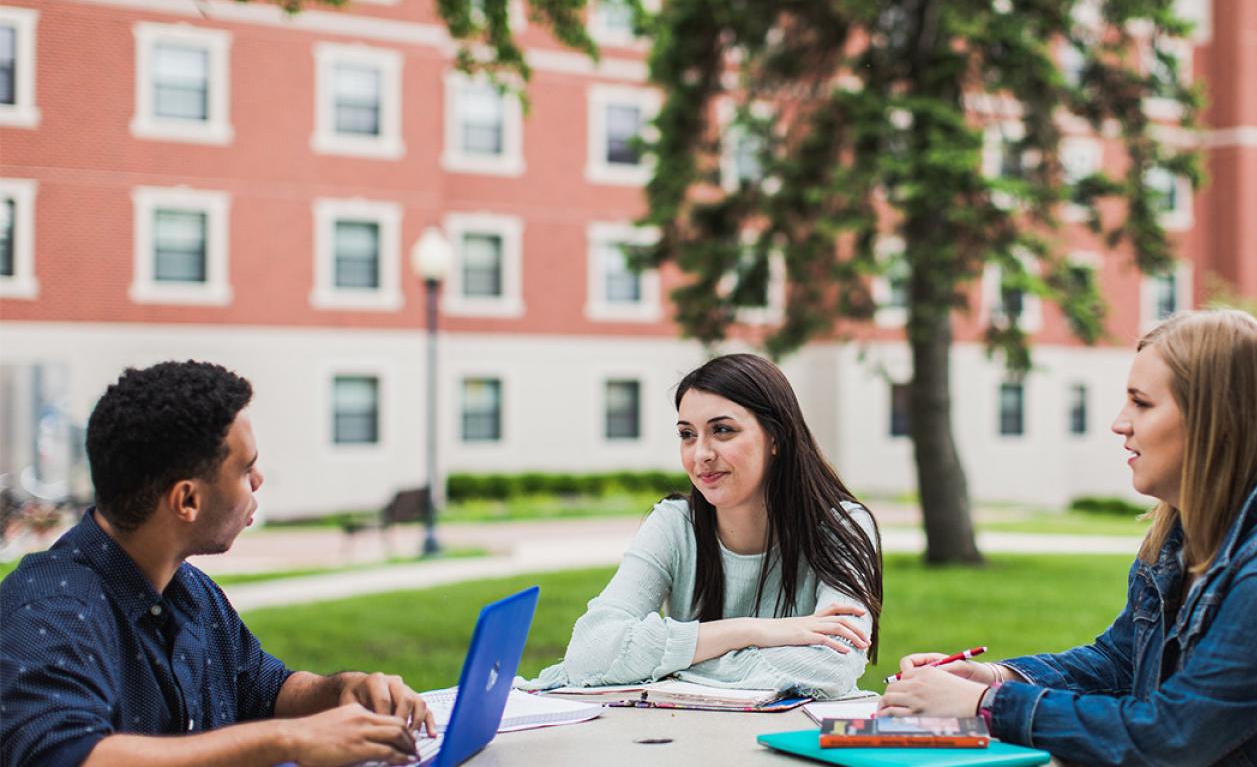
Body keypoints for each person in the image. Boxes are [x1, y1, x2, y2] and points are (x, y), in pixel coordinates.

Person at [880, 310, 1257, 765]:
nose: (1118, 423)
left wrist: (985, 704)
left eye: (1142, 403)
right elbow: (1117, 664)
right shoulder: (1178, 534)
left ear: (1215, 422)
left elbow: (1173, 739)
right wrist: (997, 674)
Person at [0, 361, 435, 767]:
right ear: (187, 500)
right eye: (246, 469)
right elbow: (66, 754)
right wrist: (289, 740)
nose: (258, 480)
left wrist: (343, 690)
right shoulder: (50, 607)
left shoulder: (189, 589)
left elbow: (266, 690)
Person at [521, 353, 883, 698]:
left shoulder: (843, 527)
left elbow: (832, 666)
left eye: (722, 430)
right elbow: (590, 652)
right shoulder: (673, 524)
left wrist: (664, 664)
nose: (701, 454)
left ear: (776, 437)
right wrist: (756, 630)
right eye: (687, 434)